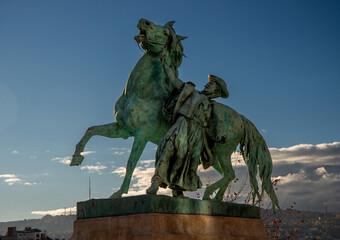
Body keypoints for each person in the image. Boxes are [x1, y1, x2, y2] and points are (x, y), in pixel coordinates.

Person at [146, 63, 229, 197]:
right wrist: (165, 64)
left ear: (217, 92)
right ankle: (155, 183)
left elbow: (214, 129)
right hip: (181, 125)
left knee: (183, 162)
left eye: (212, 84)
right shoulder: (190, 91)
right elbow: (174, 81)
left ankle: (177, 190)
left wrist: (220, 138)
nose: (208, 84)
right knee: (167, 149)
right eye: (209, 82)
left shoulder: (213, 109)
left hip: (196, 135)